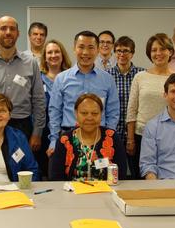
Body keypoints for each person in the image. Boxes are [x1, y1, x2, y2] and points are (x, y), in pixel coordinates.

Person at [0, 15, 45, 153]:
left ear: (18, 33)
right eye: (3, 28)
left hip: (22, 126)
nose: (8, 32)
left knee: (21, 164)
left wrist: (37, 133)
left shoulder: (31, 63)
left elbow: (39, 100)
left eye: (12, 29)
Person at [48, 30, 120, 154]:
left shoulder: (108, 79)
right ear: (74, 49)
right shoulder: (61, 79)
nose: (85, 52)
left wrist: (108, 138)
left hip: (99, 137)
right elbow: (55, 112)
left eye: (91, 47)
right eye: (81, 47)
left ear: (97, 50)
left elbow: (113, 112)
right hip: (68, 137)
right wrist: (54, 140)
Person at [126, 33, 172, 179]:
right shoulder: (140, 77)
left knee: (166, 179)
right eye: (154, 50)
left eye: (162, 49)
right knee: (141, 180)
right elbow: (132, 110)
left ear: (170, 51)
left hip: (168, 137)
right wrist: (130, 139)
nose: (158, 53)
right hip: (141, 137)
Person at [50, 94, 127, 181]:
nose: (89, 117)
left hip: (106, 189)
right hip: (72, 189)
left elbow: (121, 175)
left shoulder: (112, 137)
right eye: (84, 113)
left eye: (95, 113)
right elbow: (56, 178)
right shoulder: (65, 140)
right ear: (76, 114)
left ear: (101, 114)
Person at [38, 39, 72, 179]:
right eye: (49, 52)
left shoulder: (70, 77)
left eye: (57, 52)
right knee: (45, 169)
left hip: (65, 130)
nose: (53, 55)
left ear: (62, 55)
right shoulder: (38, 79)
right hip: (42, 131)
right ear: (45, 57)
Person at [107, 36, 145, 149]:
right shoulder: (106, 75)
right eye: (118, 51)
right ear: (114, 53)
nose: (122, 54)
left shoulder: (142, 74)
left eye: (126, 51)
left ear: (132, 53)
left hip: (137, 131)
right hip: (114, 130)